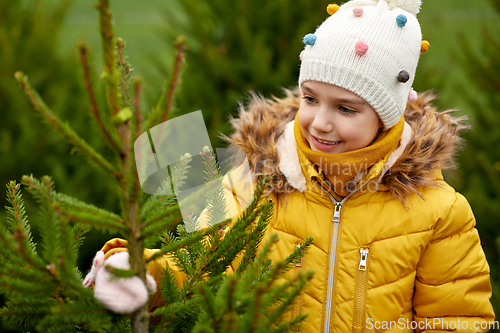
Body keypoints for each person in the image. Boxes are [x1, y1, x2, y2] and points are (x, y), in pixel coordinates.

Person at [84, 0, 495, 331]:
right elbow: (198, 265)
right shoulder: (252, 182)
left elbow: (458, 318)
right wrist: (142, 270)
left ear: (387, 115)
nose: (320, 122)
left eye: (346, 108)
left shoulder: (438, 212)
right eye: (311, 98)